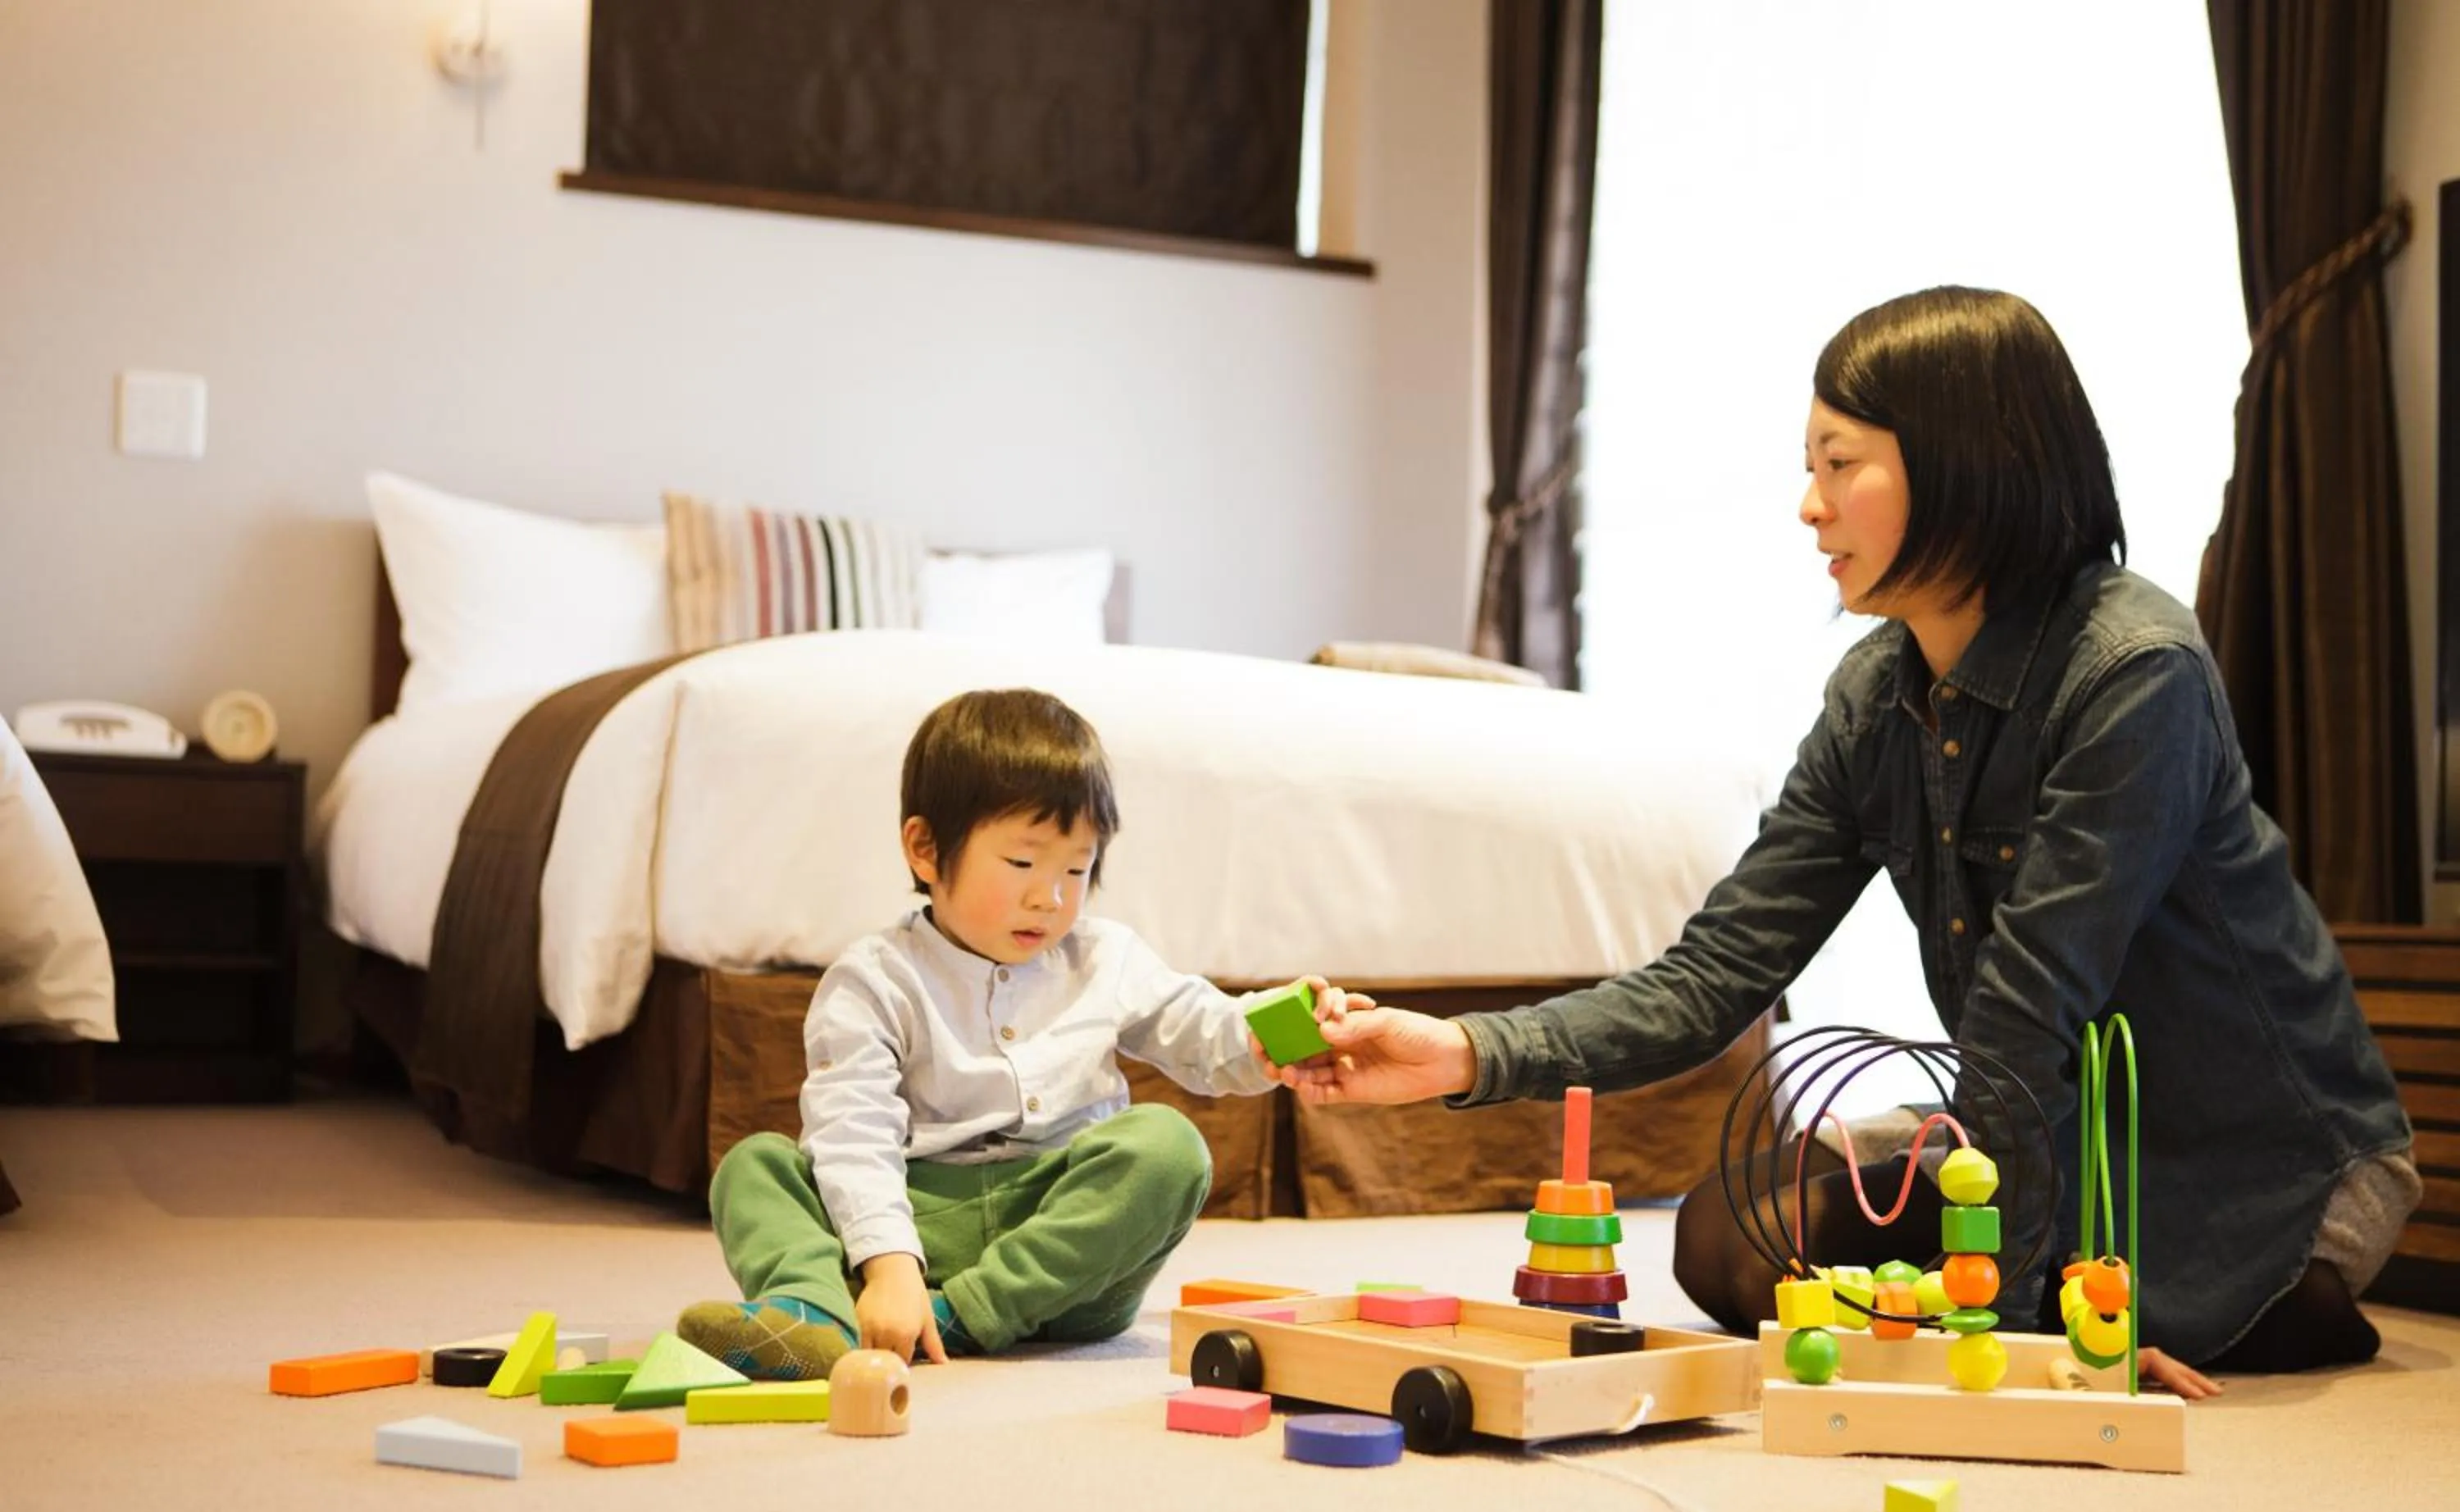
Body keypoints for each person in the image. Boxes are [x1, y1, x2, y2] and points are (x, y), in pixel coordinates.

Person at [1278, 286, 2419, 1396]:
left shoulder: (2135, 674)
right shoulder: (1879, 692)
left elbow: (2027, 1022)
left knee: (2034, 1286)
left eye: (1840, 465)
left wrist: (2012, 1345)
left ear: (1969, 463)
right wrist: (1461, 1054)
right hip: (2038, 1126)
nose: (1809, 506)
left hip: (2252, 1161)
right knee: (1726, 1241)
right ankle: (2096, 1280)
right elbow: (1715, 974)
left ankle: (2256, 1298)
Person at [681, 687, 1341, 1376]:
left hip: (1061, 1270)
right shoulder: (873, 978)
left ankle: (957, 1317)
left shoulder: (1104, 958)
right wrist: (890, 1264)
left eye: (1077, 870)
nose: (1048, 897)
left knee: (1168, 1148)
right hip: (915, 1227)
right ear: (926, 849)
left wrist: (1281, 1030)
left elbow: (1203, 1029)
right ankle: (813, 1313)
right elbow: (853, 1128)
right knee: (754, 1166)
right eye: (1023, 864)